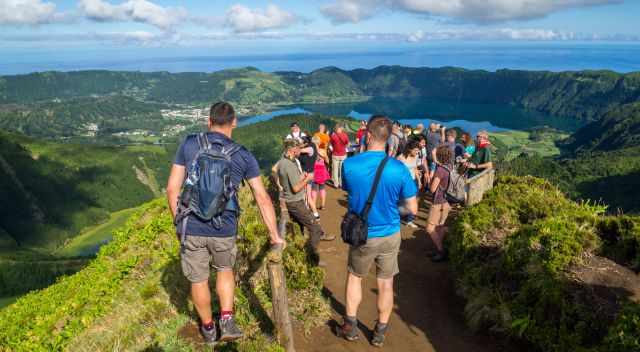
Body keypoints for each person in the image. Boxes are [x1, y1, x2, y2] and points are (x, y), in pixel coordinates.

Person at [166, 101, 284, 345]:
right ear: (234, 122)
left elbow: (172, 189)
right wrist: (274, 234)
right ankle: (227, 320)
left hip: (192, 225)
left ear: (208, 122)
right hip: (225, 226)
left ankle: (208, 328)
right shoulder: (243, 155)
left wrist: (179, 224)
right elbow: (261, 198)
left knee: (198, 280)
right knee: (224, 270)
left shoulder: (189, 145)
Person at [337, 115, 418, 347]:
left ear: (368, 135)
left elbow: (349, 191)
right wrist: (394, 209)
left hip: (362, 234)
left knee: (355, 277)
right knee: (386, 283)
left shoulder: (350, 164)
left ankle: (350, 326)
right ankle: (380, 332)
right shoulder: (399, 169)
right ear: (389, 138)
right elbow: (411, 208)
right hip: (390, 233)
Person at [277, 139, 335, 254]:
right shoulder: (288, 165)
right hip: (295, 202)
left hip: (292, 201)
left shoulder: (283, 162)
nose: (300, 150)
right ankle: (311, 256)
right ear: (292, 150)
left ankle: (302, 252)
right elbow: (295, 188)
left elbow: (290, 182)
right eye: (298, 148)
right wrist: (308, 179)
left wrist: (302, 176)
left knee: (303, 226)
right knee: (315, 228)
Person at [427, 145, 453, 262]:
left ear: (439, 156)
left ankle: (441, 250)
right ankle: (439, 248)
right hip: (447, 201)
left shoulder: (440, 170)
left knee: (430, 228)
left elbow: (432, 189)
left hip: (438, 202)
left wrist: (429, 182)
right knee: (440, 227)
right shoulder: (450, 167)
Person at [397, 140, 422, 228]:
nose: (417, 152)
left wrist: (419, 181)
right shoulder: (401, 158)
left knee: (414, 200)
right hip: (403, 182)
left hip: (413, 181)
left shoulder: (416, 156)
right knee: (401, 200)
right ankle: (397, 217)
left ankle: (409, 220)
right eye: (415, 150)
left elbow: (415, 168)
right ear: (409, 149)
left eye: (418, 150)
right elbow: (396, 171)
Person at [298, 135, 320, 219]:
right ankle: (315, 214)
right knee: (307, 195)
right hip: (309, 173)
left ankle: (309, 213)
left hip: (307, 174)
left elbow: (300, 150)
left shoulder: (310, 148)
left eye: (301, 143)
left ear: (306, 143)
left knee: (305, 195)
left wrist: (298, 146)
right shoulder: (311, 146)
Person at [311, 137, 330, 212]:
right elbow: (327, 161)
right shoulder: (323, 151)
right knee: (322, 188)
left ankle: (313, 205)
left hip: (314, 170)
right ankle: (323, 205)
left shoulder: (311, 151)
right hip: (322, 170)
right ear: (319, 143)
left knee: (314, 189)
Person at [330, 124, 350, 188]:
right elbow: (348, 144)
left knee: (335, 170)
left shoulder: (333, 136)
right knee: (341, 170)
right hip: (343, 154)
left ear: (336, 129)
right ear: (341, 129)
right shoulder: (345, 135)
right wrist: (344, 147)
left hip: (335, 154)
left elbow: (331, 144)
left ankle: (336, 184)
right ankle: (341, 183)